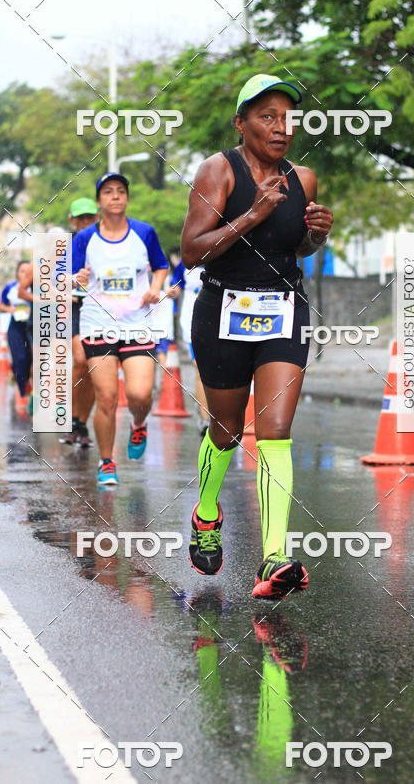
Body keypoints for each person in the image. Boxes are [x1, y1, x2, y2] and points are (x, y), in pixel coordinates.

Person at [181, 73, 333, 599]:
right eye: (267, 116)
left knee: (276, 428)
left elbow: (299, 250)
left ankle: (274, 556)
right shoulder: (217, 171)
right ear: (240, 122)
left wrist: (315, 233)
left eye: (287, 117)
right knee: (226, 426)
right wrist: (252, 214)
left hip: (284, 309)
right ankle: (205, 515)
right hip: (223, 308)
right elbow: (193, 251)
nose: (280, 126)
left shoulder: (304, 178)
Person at [72, 172, 168, 486]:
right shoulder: (85, 238)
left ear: (127, 198)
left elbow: (161, 266)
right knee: (107, 397)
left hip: (138, 323)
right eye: (109, 192)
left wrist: (155, 287)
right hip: (97, 324)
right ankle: (107, 462)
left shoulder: (144, 232)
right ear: (100, 201)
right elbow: (68, 278)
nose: (115, 196)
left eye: (121, 191)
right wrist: (77, 279)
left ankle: (139, 422)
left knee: (139, 394)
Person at [60, 198, 98, 447]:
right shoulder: (65, 247)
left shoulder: (106, 241)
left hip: (101, 309)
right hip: (75, 308)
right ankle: (72, 419)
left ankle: (82, 424)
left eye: (89, 217)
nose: (85, 222)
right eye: (80, 218)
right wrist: (70, 285)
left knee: (95, 370)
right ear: (72, 220)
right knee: (81, 360)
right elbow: (53, 280)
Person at [170, 263, 210, 435]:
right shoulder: (187, 263)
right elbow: (175, 286)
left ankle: (219, 414)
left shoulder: (226, 257)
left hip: (221, 320)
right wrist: (173, 291)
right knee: (201, 369)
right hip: (192, 320)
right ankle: (206, 420)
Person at [0, 261, 33, 401]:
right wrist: (10, 309)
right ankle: (22, 390)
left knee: (32, 359)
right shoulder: (10, 288)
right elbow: (1, 305)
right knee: (19, 358)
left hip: (32, 325)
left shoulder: (35, 287)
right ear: (17, 273)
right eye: (22, 271)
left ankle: (31, 387)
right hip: (16, 326)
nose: (25, 273)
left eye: (27, 270)